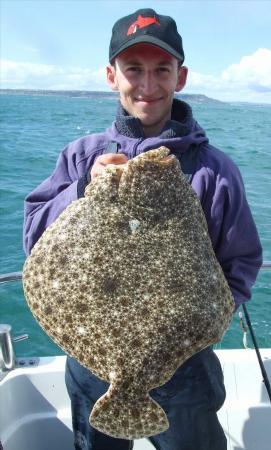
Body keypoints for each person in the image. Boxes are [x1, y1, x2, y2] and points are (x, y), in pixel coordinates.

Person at [23, 8, 262, 450]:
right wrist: (81, 189)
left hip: (185, 368)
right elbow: (35, 236)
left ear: (181, 76)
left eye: (161, 70)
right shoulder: (80, 157)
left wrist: (199, 327)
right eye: (134, 69)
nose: (148, 85)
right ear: (112, 76)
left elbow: (241, 262)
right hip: (92, 361)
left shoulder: (215, 170)